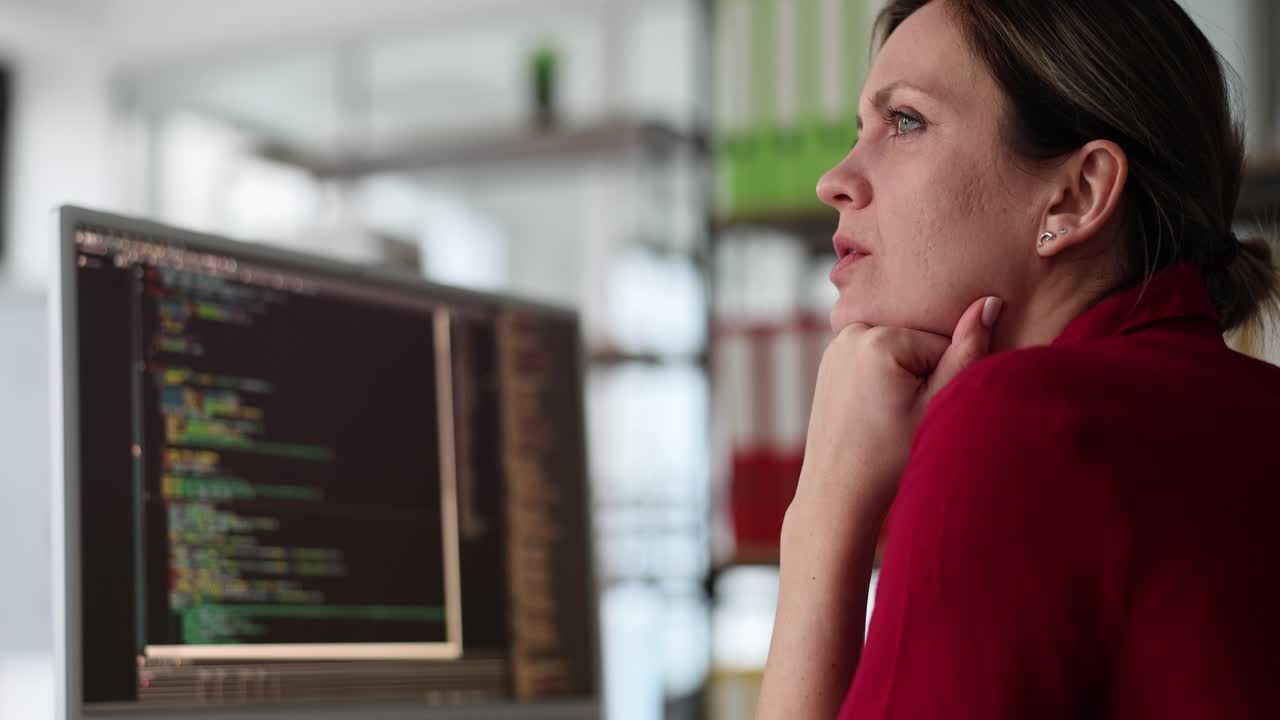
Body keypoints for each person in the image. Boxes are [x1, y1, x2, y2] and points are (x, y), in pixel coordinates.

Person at [756, 0, 1280, 718]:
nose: (834, 180)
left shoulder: (1022, 422)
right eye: (860, 130)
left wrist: (823, 514)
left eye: (904, 121)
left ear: (1076, 194)